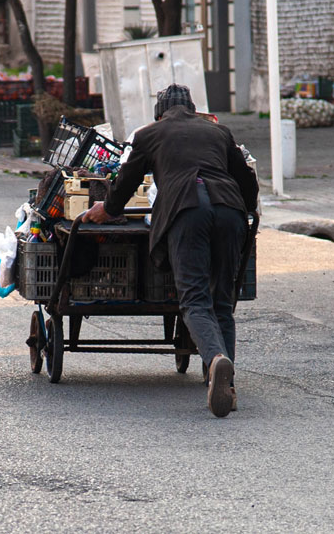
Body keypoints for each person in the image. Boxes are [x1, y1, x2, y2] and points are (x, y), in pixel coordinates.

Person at [83, 84, 259, 418]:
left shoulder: (149, 134)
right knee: (221, 300)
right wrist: (247, 211)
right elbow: (246, 179)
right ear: (192, 109)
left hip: (186, 211)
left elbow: (126, 182)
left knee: (194, 299)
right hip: (230, 211)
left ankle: (216, 360)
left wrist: (108, 208)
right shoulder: (219, 132)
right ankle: (225, 381)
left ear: (159, 113)